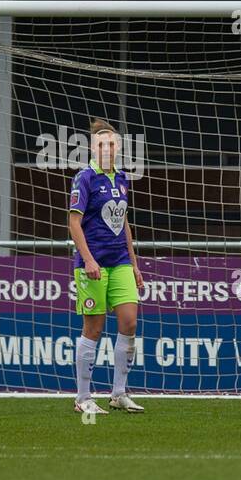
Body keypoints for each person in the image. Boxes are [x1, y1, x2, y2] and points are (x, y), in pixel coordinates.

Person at [67, 119, 145, 414]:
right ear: (92, 148)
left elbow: (123, 222)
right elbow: (74, 222)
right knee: (94, 327)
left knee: (129, 322)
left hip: (121, 261)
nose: (107, 149)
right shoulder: (84, 178)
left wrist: (135, 264)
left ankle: (119, 393)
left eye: (112, 144)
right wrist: (88, 259)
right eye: (101, 144)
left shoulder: (122, 178)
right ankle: (83, 398)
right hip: (93, 264)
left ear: (119, 147)